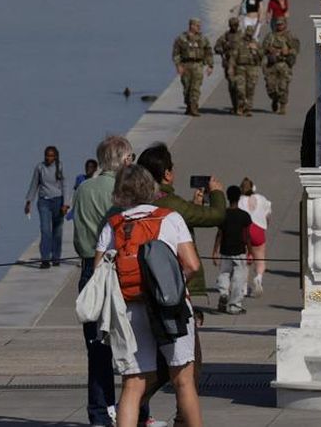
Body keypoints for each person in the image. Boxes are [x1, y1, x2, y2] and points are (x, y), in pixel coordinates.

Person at [94, 165, 203, 427]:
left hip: (131, 310)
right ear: (150, 187)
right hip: (170, 308)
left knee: (133, 384)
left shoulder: (113, 226)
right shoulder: (170, 218)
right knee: (183, 380)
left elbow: (100, 273)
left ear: (119, 193)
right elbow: (192, 265)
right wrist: (169, 289)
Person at [134, 145, 226, 424]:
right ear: (167, 174)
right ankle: (182, 420)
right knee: (189, 366)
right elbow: (216, 217)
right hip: (173, 293)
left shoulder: (138, 205)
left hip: (142, 291)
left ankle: (131, 409)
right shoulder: (171, 206)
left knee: (156, 364)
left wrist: (192, 205)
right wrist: (217, 193)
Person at [72, 135, 135, 427]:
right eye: (131, 158)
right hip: (118, 269)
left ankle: (99, 414)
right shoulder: (123, 191)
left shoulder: (83, 188)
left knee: (97, 350)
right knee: (132, 346)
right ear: (123, 160)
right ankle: (135, 411)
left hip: (88, 269)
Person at [24, 146, 69, 269]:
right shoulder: (40, 167)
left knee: (57, 231)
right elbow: (34, 184)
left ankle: (56, 257)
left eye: (51, 156)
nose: (48, 158)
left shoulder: (60, 167)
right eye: (47, 155)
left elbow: (65, 185)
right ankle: (45, 259)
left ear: (55, 157)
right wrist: (29, 202)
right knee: (45, 230)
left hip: (58, 202)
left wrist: (65, 204)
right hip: (44, 202)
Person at [213, 187, 252, 315]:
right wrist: (250, 252)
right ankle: (234, 306)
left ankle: (224, 293)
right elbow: (246, 236)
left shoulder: (223, 215)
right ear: (239, 197)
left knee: (224, 274)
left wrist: (215, 251)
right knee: (239, 279)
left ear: (228, 198)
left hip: (225, 251)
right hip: (239, 251)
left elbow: (219, 234)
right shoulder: (244, 216)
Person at [171, 18, 213, 117]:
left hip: (198, 65)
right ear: (191, 26)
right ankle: (189, 106)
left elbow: (208, 52)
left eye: (200, 25)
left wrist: (210, 65)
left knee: (196, 87)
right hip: (185, 65)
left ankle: (194, 108)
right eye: (197, 26)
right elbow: (176, 53)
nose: (199, 27)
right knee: (187, 88)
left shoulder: (203, 39)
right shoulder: (181, 38)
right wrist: (178, 65)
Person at [239, 177, 272, 297]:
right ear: (254, 188)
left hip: (244, 231)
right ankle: (258, 277)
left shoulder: (239, 200)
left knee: (245, 260)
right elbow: (268, 215)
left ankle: (243, 287)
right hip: (258, 230)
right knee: (260, 258)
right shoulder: (261, 199)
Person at [262, 17, 301, 115]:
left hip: (284, 64)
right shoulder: (270, 36)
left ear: (285, 24)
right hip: (271, 65)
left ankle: (283, 106)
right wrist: (269, 49)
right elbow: (262, 48)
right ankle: (274, 99)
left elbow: (296, 49)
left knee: (283, 86)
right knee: (270, 87)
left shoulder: (290, 36)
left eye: (281, 24)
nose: (279, 26)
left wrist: (288, 51)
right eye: (278, 24)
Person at [214, 17, 243, 114]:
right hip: (229, 64)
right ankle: (235, 106)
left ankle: (241, 107)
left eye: (236, 25)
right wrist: (221, 49)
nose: (234, 27)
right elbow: (217, 47)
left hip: (240, 64)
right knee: (232, 86)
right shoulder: (225, 36)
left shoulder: (242, 35)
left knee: (241, 86)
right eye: (232, 25)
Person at [232, 25, 263, 117]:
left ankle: (248, 109)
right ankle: (240, 106)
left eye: (251, 32)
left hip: (252, 68)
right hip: (240, 68)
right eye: (248, 32)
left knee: (250, 89)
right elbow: (233, 56)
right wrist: (231, 68)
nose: (249, 34)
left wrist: (256, 50)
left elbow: (262, 56)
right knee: (240, 89)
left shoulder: (256, 44)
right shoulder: (239, 43)